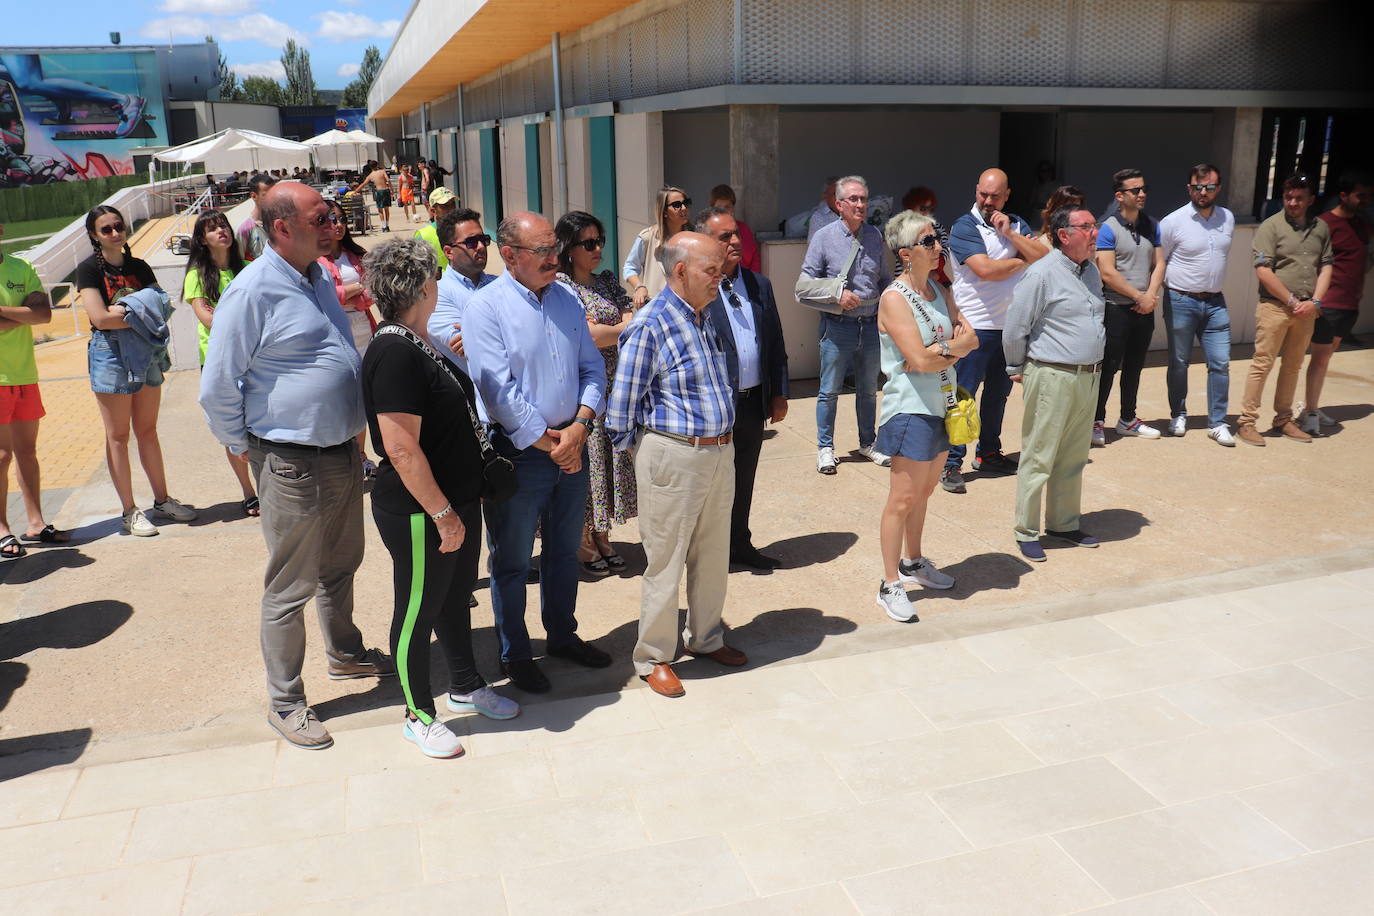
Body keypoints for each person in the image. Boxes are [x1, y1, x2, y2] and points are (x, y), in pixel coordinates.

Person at [200, 182, 395, 750]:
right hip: (289, 459)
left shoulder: (318, 279)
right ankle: (285, 701)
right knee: (290, 585)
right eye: (320, 215)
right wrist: (251, 448)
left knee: (341, 564)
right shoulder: (252, 291)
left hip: (340, 452)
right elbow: (217, 387)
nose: (333, 221)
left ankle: (345, 653)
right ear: (283, 228)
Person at [361, 238, 520, 759]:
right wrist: (444, 515)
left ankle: (465, 685)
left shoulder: (418, 341)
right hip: (420, 509)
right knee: (417, 609)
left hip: (454, 500)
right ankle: (418, 713)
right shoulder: (393, 352)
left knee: (454, 599)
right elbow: (401, 450)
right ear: (426, 286)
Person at [463, 212, 610, 694]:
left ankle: (563, 636)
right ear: (509, 255)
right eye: (542, 251)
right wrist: (554, 443)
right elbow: (497, 389)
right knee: (511, 560)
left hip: (572, 445)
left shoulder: (567, 299)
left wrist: (581, 427)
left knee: (565, 551)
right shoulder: (486, 308)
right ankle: (517, 654)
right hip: (522, 454)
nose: (554, 258)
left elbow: (592, 368)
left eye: (554, 249)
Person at [607, 232, 745, 699]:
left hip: (718, 452)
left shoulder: (706, 314)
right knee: (664, 563)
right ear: (680, 271)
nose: (719, 276)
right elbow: (620, 408)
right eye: (711, 269)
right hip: (673, 455)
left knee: (712, 554)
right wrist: (650, 457)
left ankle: (706, 638)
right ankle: (653, 658)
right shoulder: (651, 324)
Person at [873, 210, 976, 621]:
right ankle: (889, 583)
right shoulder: (895, 298)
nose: (938, 248)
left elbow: (971, 337)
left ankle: (913, 562)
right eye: (928, 241)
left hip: (942, 404)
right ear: (905, 253)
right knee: (901, 499)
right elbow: (915, 359)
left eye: (938, 239)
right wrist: (946, 350)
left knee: (925, 493)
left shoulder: (938, 288)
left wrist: (942, 352)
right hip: (909, 409)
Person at [78, 205, 197, 537]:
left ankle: (162, 500)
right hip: (109, 353)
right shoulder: (88, 270)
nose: (116, 233)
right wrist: (139, 310)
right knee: (117, 436)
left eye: (119, 226)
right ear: (94, 235)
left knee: (148, 430)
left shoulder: (139, 266)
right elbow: (99, 319)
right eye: (107, 229)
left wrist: (124, 310)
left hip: (144, 351)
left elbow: (163, 308)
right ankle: (129, 511)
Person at [1004, 206, 1106, 563]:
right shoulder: (1042, 274)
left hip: (1087, 375)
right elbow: (1016, 325)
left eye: (1095, 226)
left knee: (1074, 455)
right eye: (1088, 227)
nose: (1095, 233)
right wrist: (1016, 366)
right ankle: (1026, 531)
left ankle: (1063, 523)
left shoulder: (1091, 271)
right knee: (1039, 454)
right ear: (1065, 235)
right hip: (1051, 375)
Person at [941, 168, 1044, 493]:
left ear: (1006, 196)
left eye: (994, 196)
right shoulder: (963, 226)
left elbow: (1045, 257)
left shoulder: (1017, 224)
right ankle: (951, 464)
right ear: (976, 191)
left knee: (998, 396)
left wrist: (1012, 236)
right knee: (963, 398)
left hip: (1010, 329)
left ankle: (988, 454)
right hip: (974, 328)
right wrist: (1021, 260)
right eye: (983, 194)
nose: (987, 201)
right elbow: (985, 270)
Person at [699, 206, 789, 571]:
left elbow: (774, 340)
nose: (736, 241)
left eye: (735, 234)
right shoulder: (697, 288)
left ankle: (739, 544)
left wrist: (779, 392)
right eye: (725, 237)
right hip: (714, 407)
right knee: (711, 484)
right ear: (707, 242)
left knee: (742, 479)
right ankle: (708, 551)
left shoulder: (758, 285)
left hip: (752, 403)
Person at [554, 210, 637, 577]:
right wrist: (621, 325)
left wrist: (613, 327)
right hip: (582, 390)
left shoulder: (606, 281)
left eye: (599, 240)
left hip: (615, 386)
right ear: (569, 248)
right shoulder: (561, 286)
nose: (597, 248)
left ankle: (603, 534)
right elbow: (589, 337)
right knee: (588, 468)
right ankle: (583, 538)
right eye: (588, 243)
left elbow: (631, 321)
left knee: (608, 464)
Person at [795, 175, 893, 474]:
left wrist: (890, 307)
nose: (860, 204)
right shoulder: (824, 236)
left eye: (863, 198)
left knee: (868, 389)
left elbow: (884, 277)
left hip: (870, 323)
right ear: (839, 205)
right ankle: (825, 448)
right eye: (853, 199)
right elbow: (803, 285)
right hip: (838, 326)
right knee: (829, 391)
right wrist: (837, 293)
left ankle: (867, 443)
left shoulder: (875, 235)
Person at [1239, 174, 1332, 446]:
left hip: (1307, 309)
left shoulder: (1321, 228)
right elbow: (1263, 270)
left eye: (1299, 198)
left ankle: (1283, 420)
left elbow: (1326, 266)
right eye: (1288, 197)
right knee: (1262, 363)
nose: (1293, 202)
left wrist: (1314, 302)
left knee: (1293, 365)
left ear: (1310, 200)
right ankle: (1247, 422)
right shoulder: (1271, 226)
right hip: (1275, 307)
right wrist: (1293, 302)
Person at [183, 208, 257, 517]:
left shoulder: (249, 269)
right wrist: (246, 320)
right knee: (232, 428)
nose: (221, 232)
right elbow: (207, 318)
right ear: (202, 239)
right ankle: (248, 492)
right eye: (212, 229)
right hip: (219, 361)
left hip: (254, 357)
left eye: (223, 225)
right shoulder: (196, 275)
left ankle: (269, 487)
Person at [0, 222, 66, 558]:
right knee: (1, 456)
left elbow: (43, 315)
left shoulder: (20, 266)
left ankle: (36, 523)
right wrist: (23, 315)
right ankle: (2, 530)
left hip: (24, 372)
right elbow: (32, 315)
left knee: (27, 452)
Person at [1160, 162, 1237, 446]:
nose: (1203, 192)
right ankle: (1178, 414)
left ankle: (1217, 422)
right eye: (1198, 187)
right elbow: (1160, 262)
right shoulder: (1172, 222)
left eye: (1209, 187)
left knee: (1220, 363)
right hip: (1181, 300)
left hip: (1216, 302)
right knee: (1179, 362)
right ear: (1189, 188)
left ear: (1219, 188)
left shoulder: (1228, 218)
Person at [1093, 169, 1165, 446]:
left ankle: (1128, 420)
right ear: (1120, 196)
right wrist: (1139, 296)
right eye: (1135, 190)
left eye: (1144, 188)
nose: (1142, 194)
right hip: (1116, 308)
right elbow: (1107, 273)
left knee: (1135, 366)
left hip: (1144, 309)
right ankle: (1096, 421)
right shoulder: (1108, 228)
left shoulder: (1152, 225)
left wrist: (1150, 296)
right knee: (1108, 367)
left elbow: (1159, 263)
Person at [1304, 171, 1372, 434]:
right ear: (1343, 196)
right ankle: (1309, 412)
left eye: (1368, 195)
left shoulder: (1362, 223)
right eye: (1360, 195)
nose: (1365, 200)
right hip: (1328, 303)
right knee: (1320, 358)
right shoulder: (1323, 224)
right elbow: (1310, 262)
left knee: (1327, 357)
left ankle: (1312, 405)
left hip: (1350, 303)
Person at [427, 208, 495, 376]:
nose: (480, 247)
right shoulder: (436, 294)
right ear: (449, 252)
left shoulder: (499, 284)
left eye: (483, 239)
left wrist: (476, 332)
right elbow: (465, 348)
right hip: (471, 396)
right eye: (471, 242)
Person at [318, 199, 377, 353]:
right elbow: (320, 296)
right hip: (333, 330)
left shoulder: (358, 254)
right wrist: (357, 287)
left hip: (364, 326)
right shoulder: (313, 259)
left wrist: (340, 297)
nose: (339, 224)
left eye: (342, 219)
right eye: (333, 219)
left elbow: (373, 291)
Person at [623, 186, 692, 307]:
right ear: (664, 211)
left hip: (687, 307)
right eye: (677, 205)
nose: (684, 208)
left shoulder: (695, 238)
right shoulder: (647, 237)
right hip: (656, 308)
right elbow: (630, 267)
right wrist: (639, 287)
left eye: (686, 203)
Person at [708, 184, 762, 272]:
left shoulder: (744, 229)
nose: (723, 210)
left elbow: (754, 258)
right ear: (712, 208)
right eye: (719, 207)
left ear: (733, 208)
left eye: (727, 206)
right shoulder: (708, 231)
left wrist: (752, 280)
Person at [901, 186, 950, 284]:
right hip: (909, 278)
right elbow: (903, 258)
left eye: (931, 209)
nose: (927, 212)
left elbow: (945, 248)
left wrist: (936, 272)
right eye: (923, 208)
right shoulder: (903, 229)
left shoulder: (937, 227)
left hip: (938, 278)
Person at [415, 187, 458, 272]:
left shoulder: (463, 230)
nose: (451, 209)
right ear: (433, 211)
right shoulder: (423, 235)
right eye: (445, 206)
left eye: (453, 204)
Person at [238, 173, 277, 262]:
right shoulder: (244, 229)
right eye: (266, 195)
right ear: (254, 196)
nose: (273, 198)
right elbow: (239, 261)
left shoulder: (281, 222)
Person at [352, 160, 393, 232]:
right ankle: (387, 225)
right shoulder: (382, 171)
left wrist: (355, 191)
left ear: (370, 167)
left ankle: (383, 226)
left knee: (380, 210)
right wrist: (391, 189)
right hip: (386, 190)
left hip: (379, 191)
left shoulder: (371, 175)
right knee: (386, 209)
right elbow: (388, 180)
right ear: (377, 165)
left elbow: (363, 184)